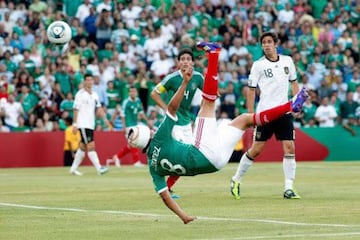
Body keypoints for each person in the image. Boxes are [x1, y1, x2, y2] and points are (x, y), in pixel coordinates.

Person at [126, 42, 308, 224]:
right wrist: (185, 83)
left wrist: (184, 217)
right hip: (202, 152)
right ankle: (214, 54)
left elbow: (165, 197)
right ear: (147, 135)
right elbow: (173, 108)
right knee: (208, 103)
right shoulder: (159, 137)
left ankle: (290, 106)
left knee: (244, 119)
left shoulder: (152, 166)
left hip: (215, 164)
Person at [230, 32, 301, 200]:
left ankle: (288, 188)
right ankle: (236, 179)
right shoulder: (258, 65)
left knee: (290, 148)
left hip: (284, 111)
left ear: (276, 44)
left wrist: (297, 104)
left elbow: (294, 83)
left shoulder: (287, 61)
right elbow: (251, 90)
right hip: (264, 114)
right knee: (256, 150)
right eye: (264, 43)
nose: (267, 45)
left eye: (269, 42)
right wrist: (250, 115)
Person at [150, 48, 205, 198]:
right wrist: (166, 108)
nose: (186, 61)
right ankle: (165, 187)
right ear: (178, 62)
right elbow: (154, 93)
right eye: (183, 59)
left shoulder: (198, 77)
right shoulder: (172, 78)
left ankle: (167, 187)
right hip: (173, 122)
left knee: (187, 159)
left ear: (193, 62)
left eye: (188, 58)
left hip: (187, 122)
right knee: (176, 156)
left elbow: (209, 93)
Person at [69, 73, 110, 176]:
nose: (89, 82)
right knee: (91, 145)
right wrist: (74, 124)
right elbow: (75, 109)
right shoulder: (80, 94)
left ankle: (73, 169)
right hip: (83, 124)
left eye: (91, 80)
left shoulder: (95, 94)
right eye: (87, 80)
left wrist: (105, 119)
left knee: (83, 146)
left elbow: (99, 108)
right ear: (84, 81)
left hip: (90, 124)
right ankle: (99, 168)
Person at [112, 85, 148, 167]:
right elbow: (122, 115)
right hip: (128, 126)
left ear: (136, 92)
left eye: (134, 91)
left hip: (136, 125)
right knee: (134, 143)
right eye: (131, 91)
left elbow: (141, 113)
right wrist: (124, 127)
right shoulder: (126, 102)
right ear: (129, 93)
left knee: (130, 145)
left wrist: (147, 121)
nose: (133, 93)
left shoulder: (138, 101)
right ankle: (136, 162)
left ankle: (117, 157)